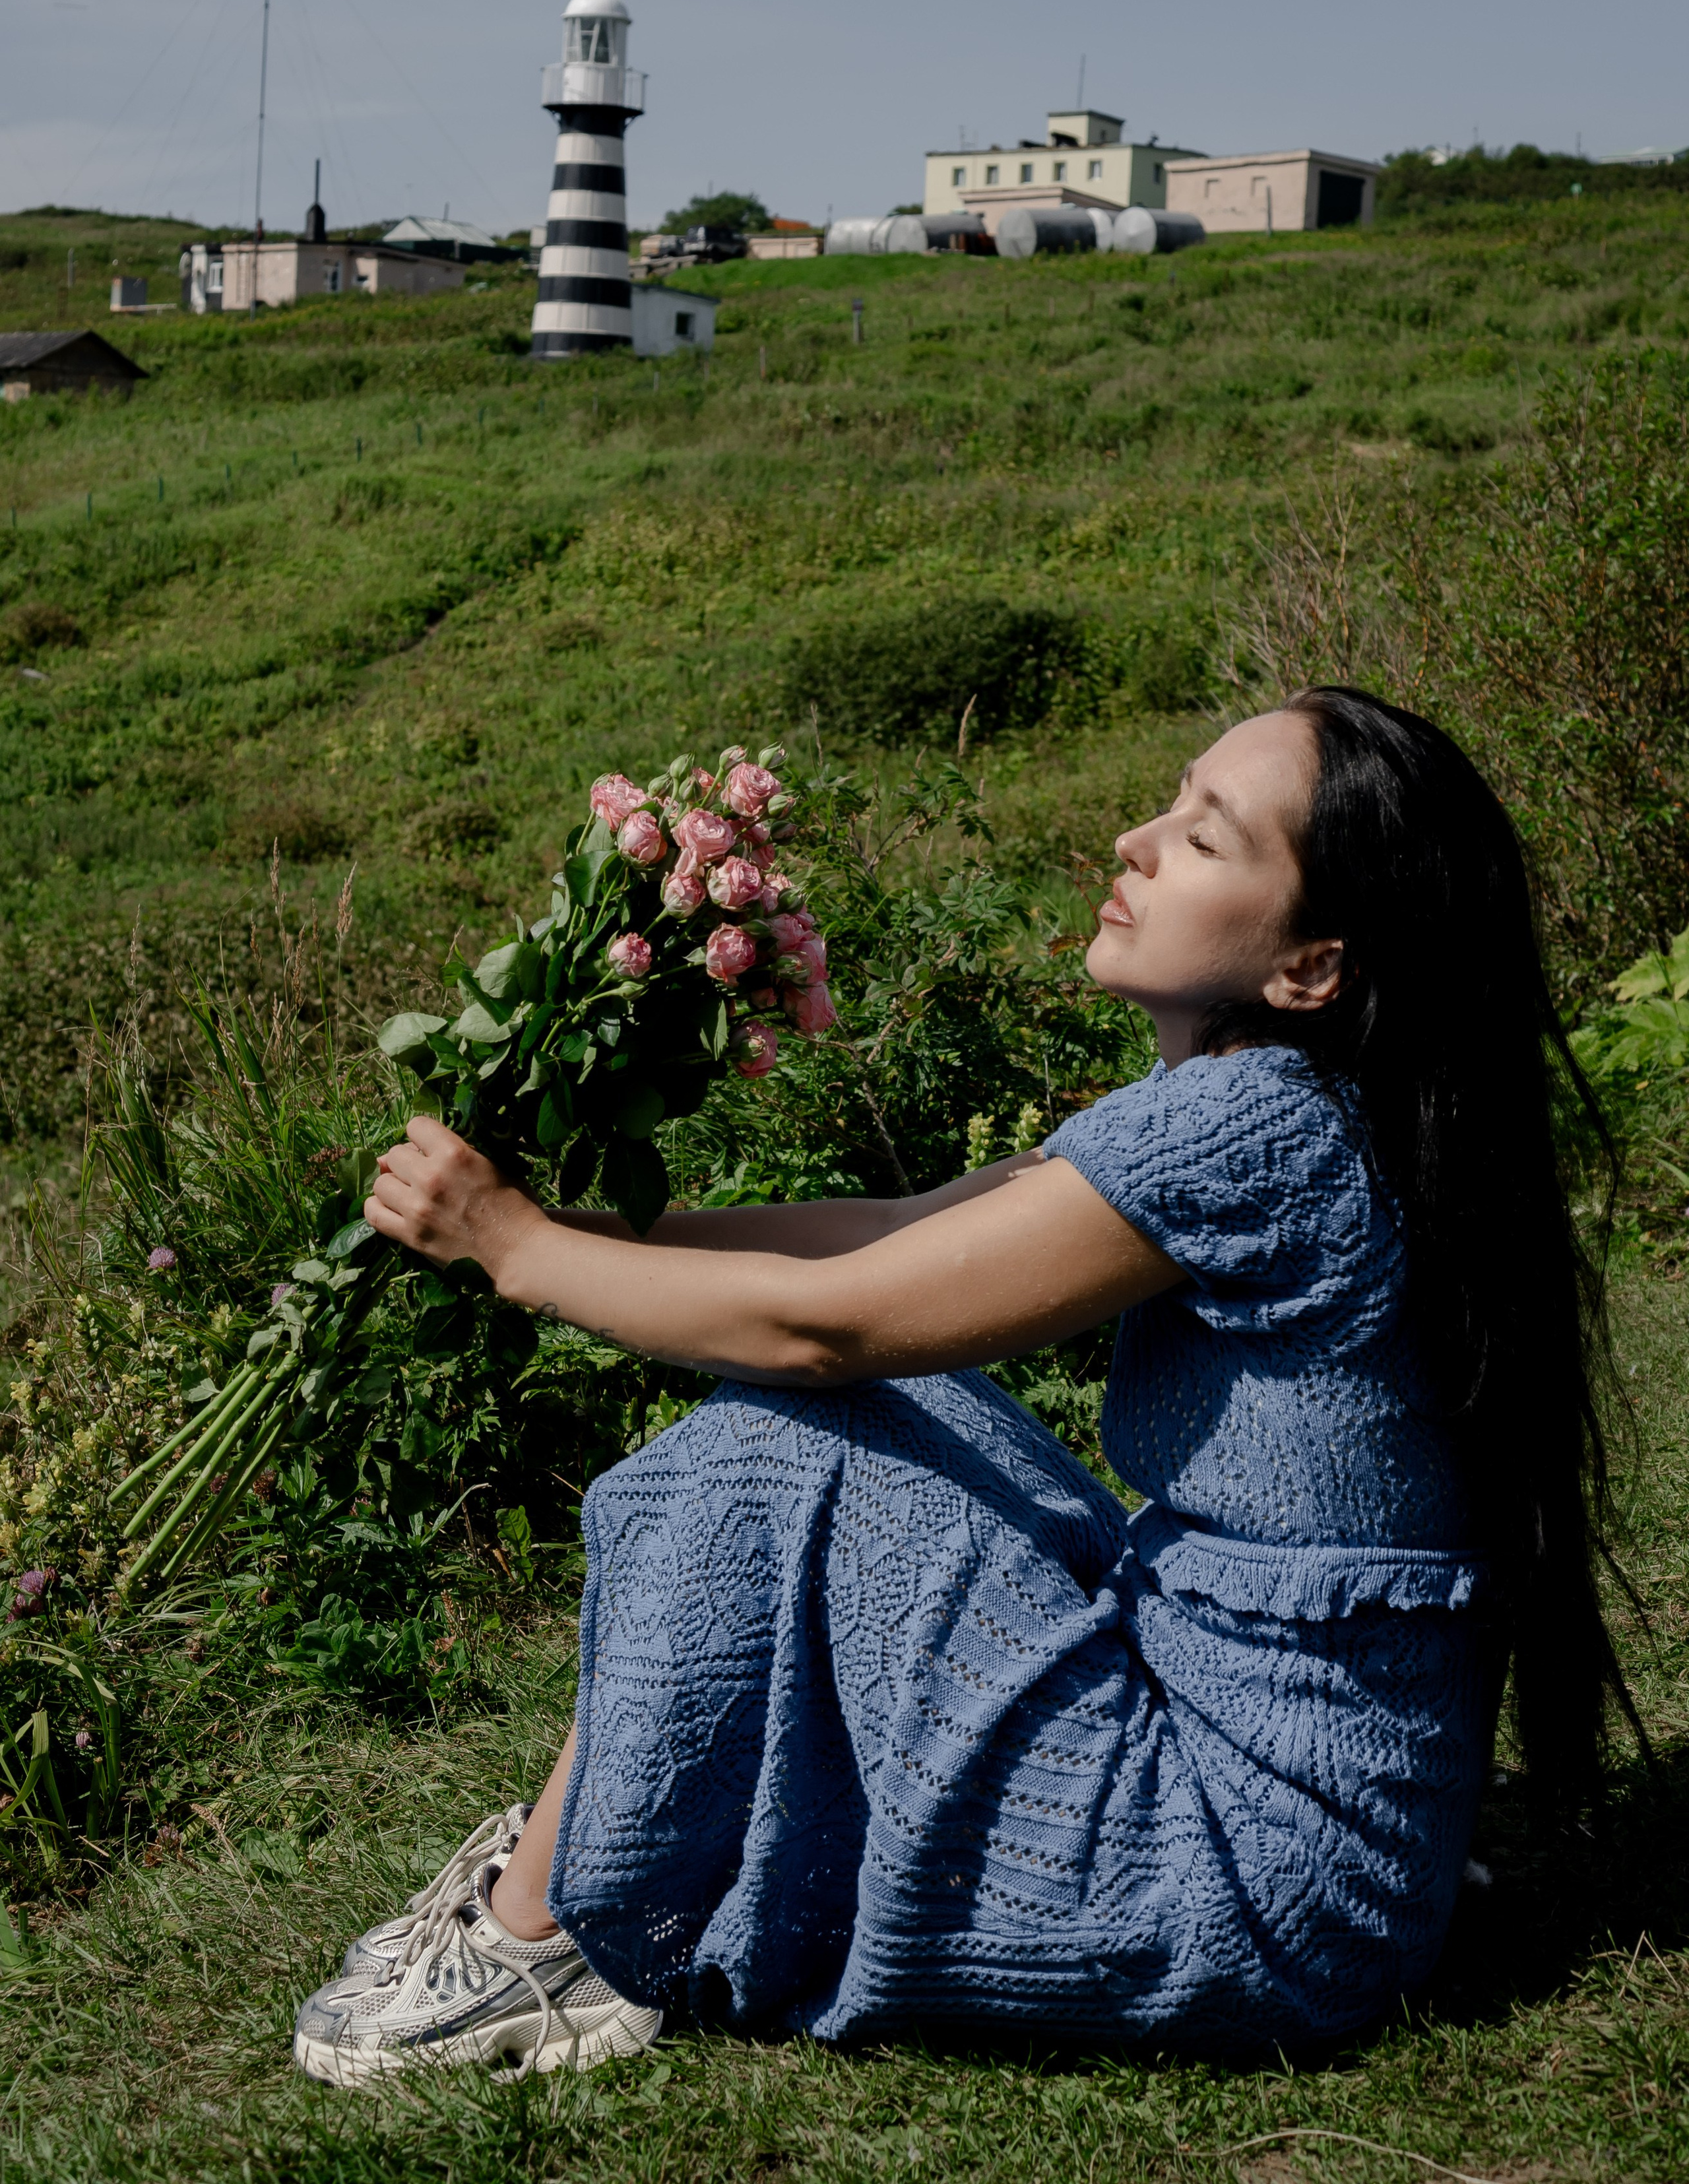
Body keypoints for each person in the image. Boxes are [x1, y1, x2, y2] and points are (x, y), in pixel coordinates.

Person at [292, 688, 1634, 2088]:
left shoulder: (1254, 1126)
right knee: (916, 1406)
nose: (1134, 839)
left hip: (1246, 1894)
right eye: (1171, 801)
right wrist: (552, 1236)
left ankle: (543, 1943)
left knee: (769, 1439)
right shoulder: (1309, 1101)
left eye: (1203, 838)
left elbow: (826, 1329)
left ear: (1310, 966)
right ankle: (584, 1885)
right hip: (1324, 1860)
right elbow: (892, 1235)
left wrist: (516, 1252)